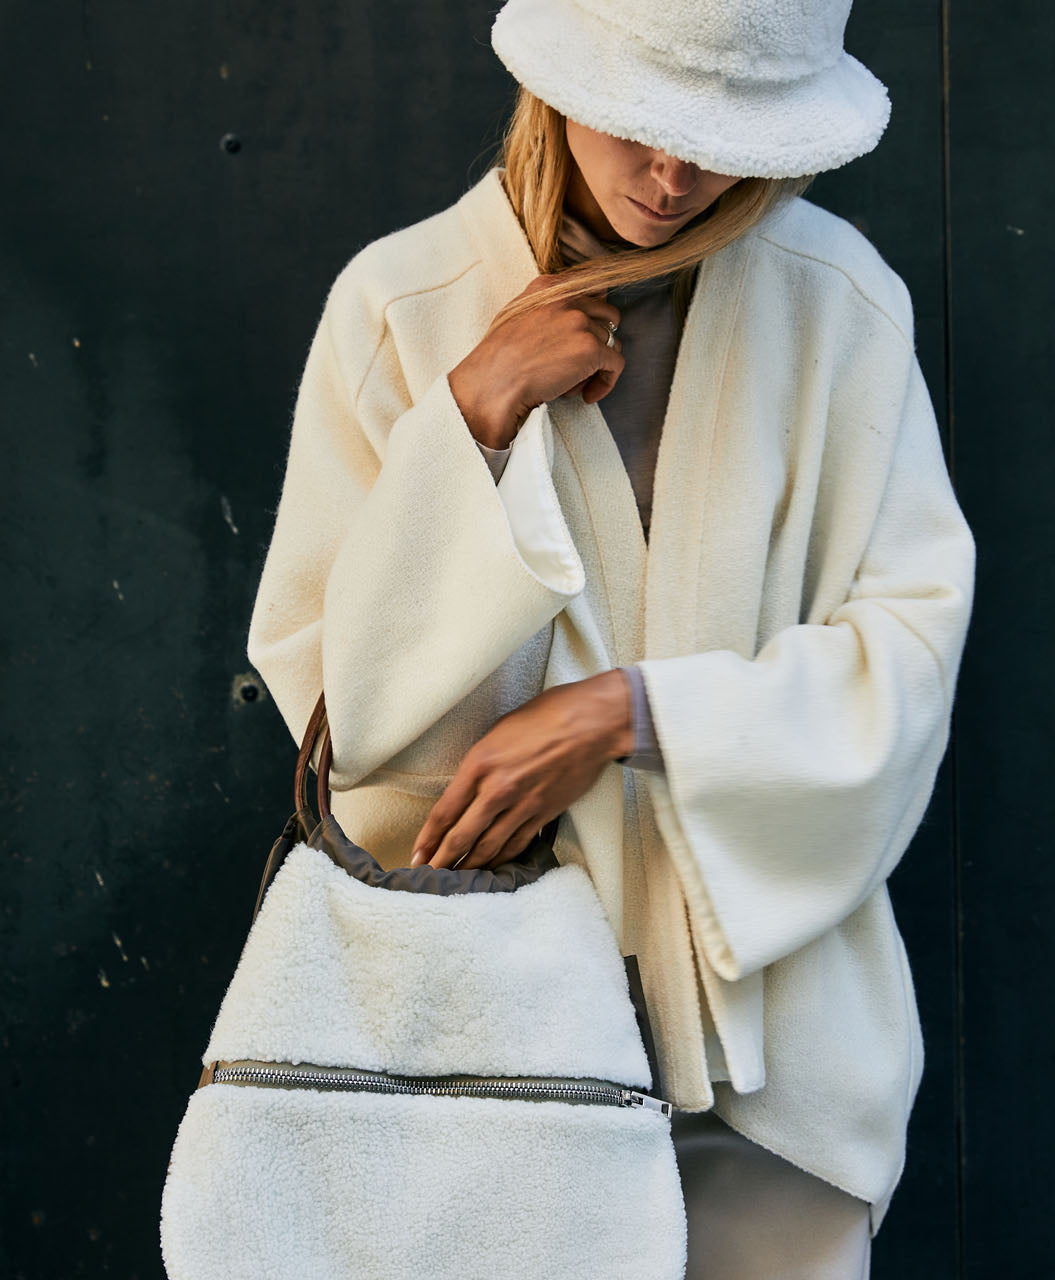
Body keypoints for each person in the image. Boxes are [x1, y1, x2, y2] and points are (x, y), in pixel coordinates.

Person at [245, 0, 976, 1274]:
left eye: (723, 134)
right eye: (641, 120)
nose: (674, 172)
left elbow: (909, 647)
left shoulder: (838, 302)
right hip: (479, 1053)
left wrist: (631, 714)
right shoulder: (401, 304)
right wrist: (469, 414)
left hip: (769, 1064)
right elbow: (330, 685)